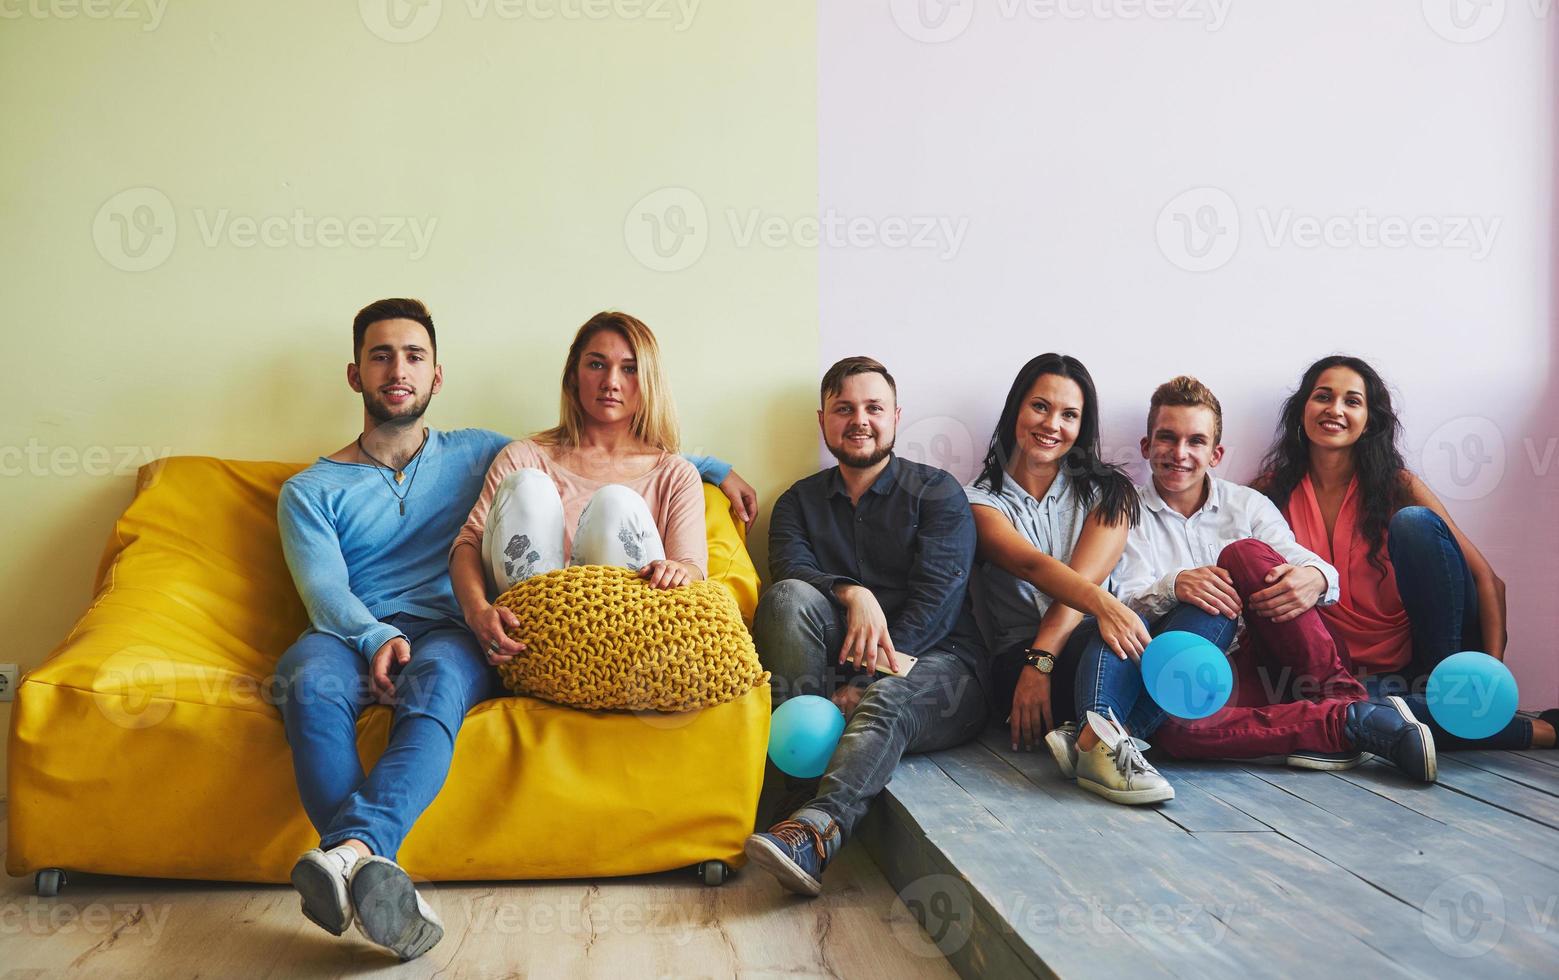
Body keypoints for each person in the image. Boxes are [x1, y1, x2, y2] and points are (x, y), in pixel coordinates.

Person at [274, 300, 750, 960]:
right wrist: (374, 636)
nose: (397, 370)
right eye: (380, 356)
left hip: (446, 630)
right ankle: (367, 869)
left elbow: (603, 449)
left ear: (436, 377)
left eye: (413, 356)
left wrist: (714, 466)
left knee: (436, 685)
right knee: (302, 680)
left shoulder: (478, 450)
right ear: (355, 375)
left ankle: (344, 856)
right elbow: (323, 592)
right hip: (349, 634)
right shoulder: (310, 489)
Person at [1112, 376, 1437, 782]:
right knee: (1169, 729)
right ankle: (1349, 720)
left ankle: (1339, 697)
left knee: (1243, 554)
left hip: (1283, 649)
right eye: (1167, 438)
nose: (1180, 453)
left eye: (1195, 441)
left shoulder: (1247, 504)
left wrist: (1314, 577)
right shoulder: (1124, 514)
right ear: (1146, 447)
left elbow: (1316, 568)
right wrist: (1173, 585)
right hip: (1209, 673)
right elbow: (1119, 606)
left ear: (1216, 454)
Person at [744, 356, 988, 896]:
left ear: (896, 416)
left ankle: (815, 829)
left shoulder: (938, 492)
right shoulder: (797, 503)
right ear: (823, 420)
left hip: (944, 670)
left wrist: (863, 683)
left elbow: (938, 604)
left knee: (888, 698)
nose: (860, 419)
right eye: (844, 408)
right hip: (825, 676)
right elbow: (790, 571)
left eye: (873, 407)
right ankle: (792, 792)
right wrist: (853, 593)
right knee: (785, 599)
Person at [1256, 355, 1556, 750]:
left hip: (1435, 653)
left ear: (1369, 420)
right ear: (1302, 410)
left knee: (1414, 523)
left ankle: (1449, 694)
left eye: (1352, 401)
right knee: (1346, 711)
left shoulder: (1398, 485)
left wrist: (1489, 678)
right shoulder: (1269, 493)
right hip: (1354, 675)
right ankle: (1523, 730)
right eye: (1323, 397)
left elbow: (1489, 581)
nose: (1335, 410)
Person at [450, 311, 710, 669]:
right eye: (597, 365)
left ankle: (602, 660)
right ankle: (543, 657)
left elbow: (693, 569)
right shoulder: (524, 457)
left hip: (626, 644)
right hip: (530, 641)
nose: (611, 382)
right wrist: (476, 611)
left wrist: (679, 571)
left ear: (649, 380)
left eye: (629, 369)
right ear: (573, 376)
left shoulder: (676, 474)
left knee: (614, 503)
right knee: (528, 486)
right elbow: (470, 541)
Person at [964, 353, 1169, 805]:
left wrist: (1050, 653)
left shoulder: (1109, 492)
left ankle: (1092, 739)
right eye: (1040, 406)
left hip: (1090, 647)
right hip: (1019, 670)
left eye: (1069, 415)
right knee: (1109, 631)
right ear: (1016, 408)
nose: (1052, 424)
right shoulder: (976, 502)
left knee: (1194, 617)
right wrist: (1038, 663)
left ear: (1082, 426)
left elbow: (1082, 582)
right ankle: (1110, 741)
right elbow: (1034, 568)